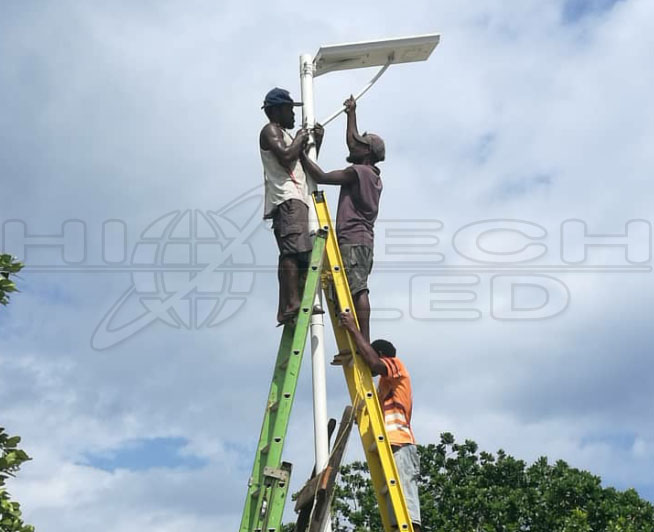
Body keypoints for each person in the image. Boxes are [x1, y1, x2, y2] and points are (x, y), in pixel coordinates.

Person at [300, 96, 383, 341]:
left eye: (359, 144)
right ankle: (357, 336)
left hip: (353, 240)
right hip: (363, 241)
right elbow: (353, 142)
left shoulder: (357, 172)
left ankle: (362, 338)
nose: (352, 145)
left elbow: (322, 176)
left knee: (358, 289)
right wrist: (351, 114)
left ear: (366, 153)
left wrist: (302, 152)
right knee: (353, 286)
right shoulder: (372, 174)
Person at [338, 310, 422, 532]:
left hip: (401, 444)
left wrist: (353, 329)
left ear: (382, 354)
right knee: (395, 512)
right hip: (390, 445)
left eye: (371, 354)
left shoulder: (397, 366)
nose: (368, 360)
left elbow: (375, 365)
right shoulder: (383, 388)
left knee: (408, 510)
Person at [259, 87, 323, 325]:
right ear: (276, 110)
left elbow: (301, 162)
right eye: (289, 109)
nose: (293, 114)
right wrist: (299, 138)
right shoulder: (270, 131)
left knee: (299, 252)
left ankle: (291, 304)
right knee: (292, 252)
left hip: (297, 197)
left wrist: (314, 141)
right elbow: (286, 156)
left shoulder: (284, 135)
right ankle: (291, 304)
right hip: (287, 198)